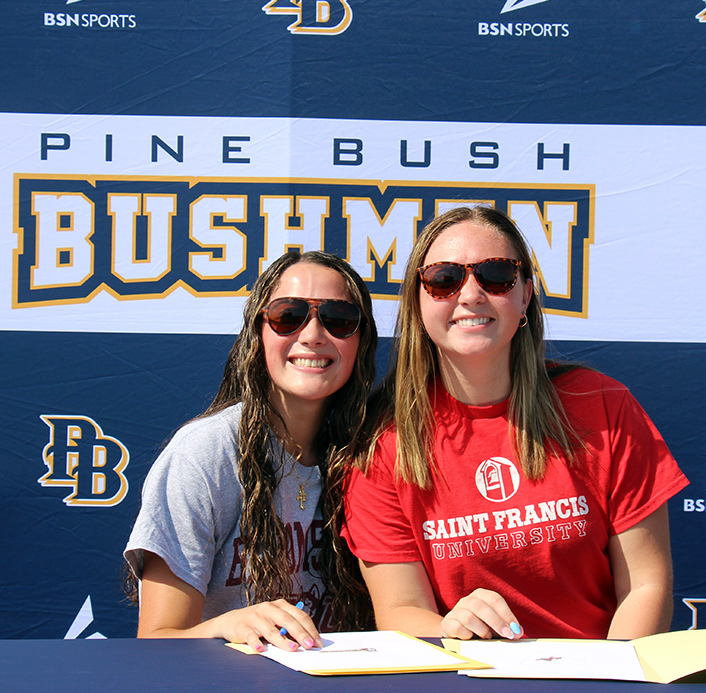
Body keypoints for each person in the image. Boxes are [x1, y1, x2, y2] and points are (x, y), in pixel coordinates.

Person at [342, 206, 689, 641]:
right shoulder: (384, 445)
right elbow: (400, 610)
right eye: (444, 279)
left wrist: (609, 685)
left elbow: (645, 585)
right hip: (467, 688)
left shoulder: (601, 406)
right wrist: (451, 629)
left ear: (525, 294)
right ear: (418, 300)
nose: (469, 295)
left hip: (599, 688)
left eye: (496, 274)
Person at [125, 250, 377, 651]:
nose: (312, 335)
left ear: (361, 341)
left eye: (339, 319)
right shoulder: (206, 454)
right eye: (288, 316)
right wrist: (232, 624)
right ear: (258, 333)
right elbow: (157, 641)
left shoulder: (374, 451)